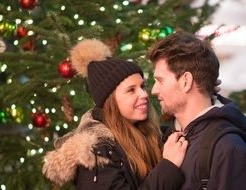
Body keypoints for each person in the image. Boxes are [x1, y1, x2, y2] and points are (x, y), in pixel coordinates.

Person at [42, 39, 188, 189]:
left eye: (142, 87)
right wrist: (169, 167)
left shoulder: (152, 134)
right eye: (131, 90)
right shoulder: (97, 154)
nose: (144, 94)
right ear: (110, 101)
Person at [148, 31, 246, 190]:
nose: (154, 90)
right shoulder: (170, 137)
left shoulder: (228, 148)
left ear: (185, 81)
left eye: (160, 80)